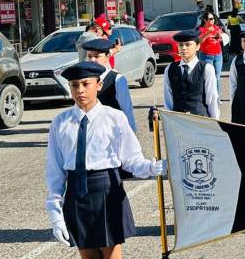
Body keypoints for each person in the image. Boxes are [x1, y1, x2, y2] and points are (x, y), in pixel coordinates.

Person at [45, 62, 167, 257]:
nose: (80, 90)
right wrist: (55, 216)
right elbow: (55, 171)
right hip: (76, 193)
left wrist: (151, 168)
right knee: (88, 255)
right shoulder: (60, 123)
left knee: (112, 253)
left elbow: (130, 159)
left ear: (99, 85)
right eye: (74, 85)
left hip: (107, 190)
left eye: (86, 84)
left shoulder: (114, 118)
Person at [163, 29, 220, 119]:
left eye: (188, 44)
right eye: (180, 45)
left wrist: (215, 123)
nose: (183, 48)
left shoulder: (207, 68)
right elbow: (168, 100)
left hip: (200, 121)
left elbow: (212, 99)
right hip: (179, 121)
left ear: (197, 46)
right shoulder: (170, 69)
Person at [82, 39, 136, 132]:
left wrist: (131, 131)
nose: (92, 60)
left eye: (97, 56)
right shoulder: (83, 80)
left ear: (107, 57)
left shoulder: (117, 79)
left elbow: (126, 108)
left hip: (113, 131)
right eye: (89, 56)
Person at [198, 11, 224, 92]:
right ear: (205, 20)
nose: (213, 20)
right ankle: (208, 97)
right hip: (206, 55)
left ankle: (217, 97)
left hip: (218, 55)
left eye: (213, 19)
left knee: (217, 77)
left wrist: (220, 37)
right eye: (210, 19)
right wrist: (207, 33)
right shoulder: (201, 29)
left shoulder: (216, 28)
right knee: (208, 77)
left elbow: (221, 39)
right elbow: (200, 41)